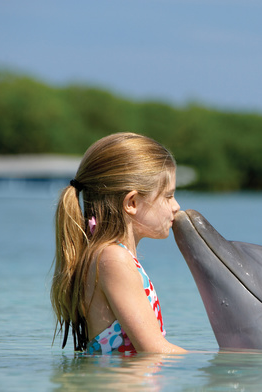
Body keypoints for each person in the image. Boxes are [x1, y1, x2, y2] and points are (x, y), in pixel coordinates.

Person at [51, 132, 186, 355]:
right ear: (132, 202)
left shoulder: (107, 255)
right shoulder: (114, 258)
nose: (176, 206)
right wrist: (229, 363)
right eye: (168, 196)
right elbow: (154, 350)